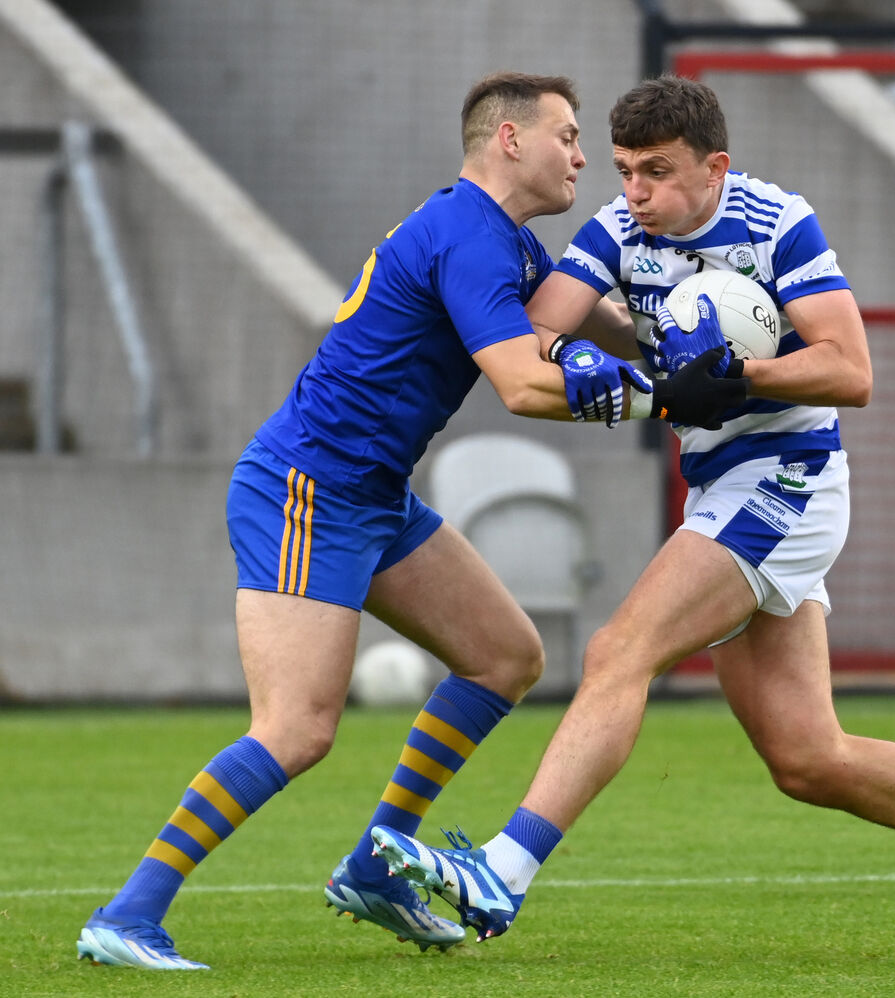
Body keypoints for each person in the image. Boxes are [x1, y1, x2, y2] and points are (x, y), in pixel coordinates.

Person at [369, 75, 895, 963]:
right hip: (718, 481)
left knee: (618, 651)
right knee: (809, 759)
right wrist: (633, 368)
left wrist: (738, 374)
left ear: (714, 168)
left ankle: (503, 869)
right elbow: (540, 335)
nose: (635, 191)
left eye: (657, 172)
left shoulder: (776, 223)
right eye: (622, 170)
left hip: (787, 478)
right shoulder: (618, 229)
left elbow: (851, 371)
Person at [75, 71, 746, 971]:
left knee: (506, 656)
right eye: (569, 137)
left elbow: (602, 325)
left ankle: (373, 864)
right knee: (297, 728)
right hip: (306, 489)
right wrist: (655, 399)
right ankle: (127, 915)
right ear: (509, 141)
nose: (585, 158)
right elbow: (520, 382)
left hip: (372, 491)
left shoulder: (498, 241)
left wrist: (697, 332)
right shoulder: (470, 237)